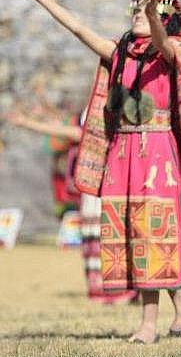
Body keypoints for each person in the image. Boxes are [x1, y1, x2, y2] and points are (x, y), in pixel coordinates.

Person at [7, 0, 181, 344]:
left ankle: (148, 326)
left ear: (163, 20)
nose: (137, 16)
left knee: (154, 234)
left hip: (157, 153)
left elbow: (163, 43)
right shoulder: (119, 53)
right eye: (136, 12)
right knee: (133, 235)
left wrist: (155, 19)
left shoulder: (173, 52)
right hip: (122, 154)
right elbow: (79, 30)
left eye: (146, 12)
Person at [6, 111, 138, 305]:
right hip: (94, 182)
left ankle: (118, 291)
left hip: (107, 182)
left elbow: (77, 133)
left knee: (106, 235)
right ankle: (103, 290)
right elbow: (72, 130)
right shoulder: (89, 109)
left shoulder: (107, 108)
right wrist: (35, 120)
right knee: (93, 236)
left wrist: (29, 123)